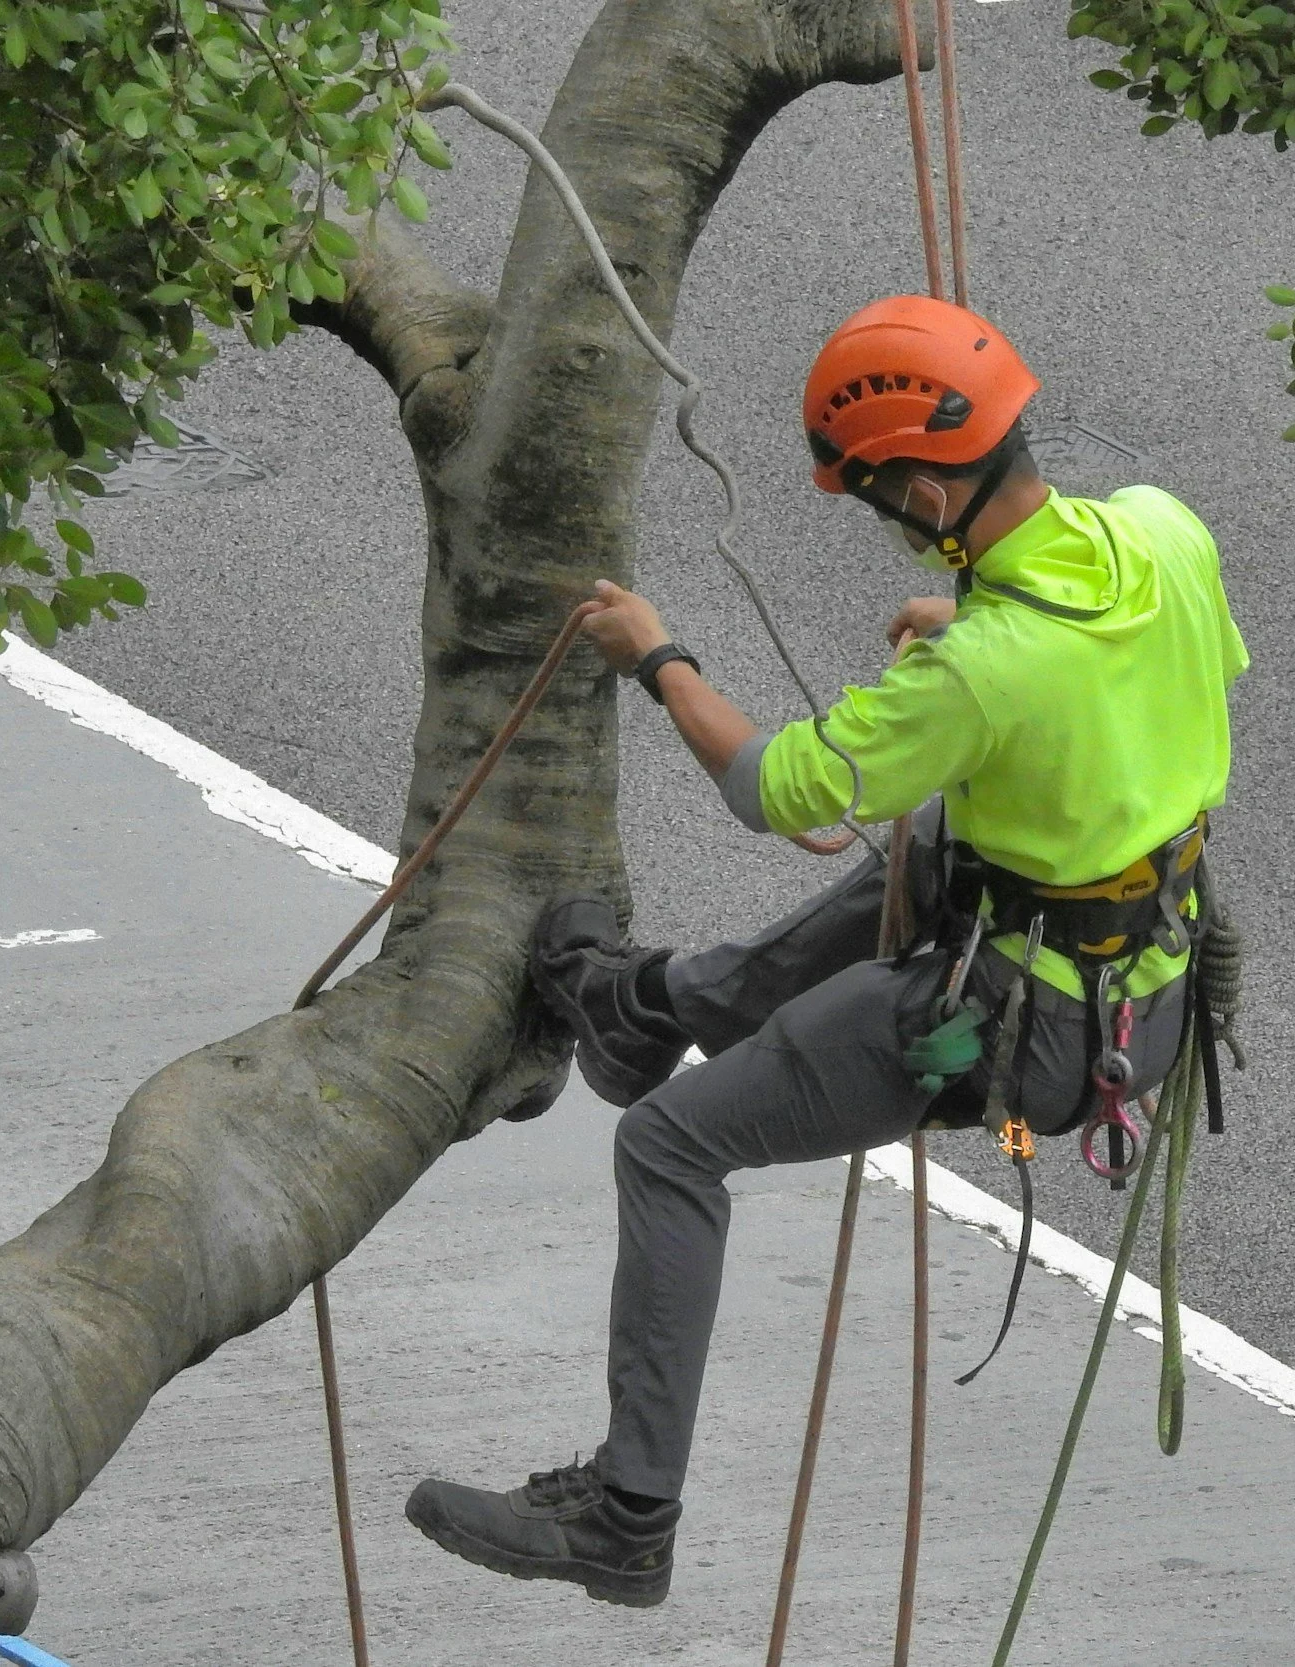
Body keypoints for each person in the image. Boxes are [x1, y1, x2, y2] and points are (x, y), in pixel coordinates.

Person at [405, 294, 1247, 1608]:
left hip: (1031, 1026)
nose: (890, 518)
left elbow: (774, 790)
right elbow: (1121, 683)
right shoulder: (1162, 530)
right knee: (934, 844)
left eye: (883, 501)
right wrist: (974, 634)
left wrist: (658, 655)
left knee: (671, 1143)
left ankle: (629, 1516)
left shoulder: (988, 672)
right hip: (1145, 969)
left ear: (922, 484)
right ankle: (646, 1007)